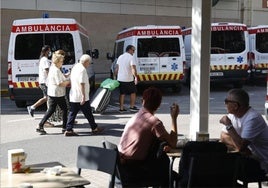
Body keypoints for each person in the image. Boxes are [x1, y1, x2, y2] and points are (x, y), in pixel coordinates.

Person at [118, 86, 179, 185]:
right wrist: (174, 118)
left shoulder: (136, 116)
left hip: (120, 168)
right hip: (133, 170)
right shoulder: (154, 122)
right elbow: (173, 143)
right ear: (159, 105)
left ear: (142, 101)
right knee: (169, 174)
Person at [219, 88, 268, 174]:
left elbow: (241, 146)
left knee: (222, 167)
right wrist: (240, 147)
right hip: (248, 156)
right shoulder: (232, 115)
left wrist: (229, 125)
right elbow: (223, 136)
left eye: (227, 101)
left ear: (235, 106)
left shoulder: (253, 118)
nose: (225, 104)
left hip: (262, 162)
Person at [64, 54, 103, 136]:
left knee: (73, 112)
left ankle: (69, 129)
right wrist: (83, 96)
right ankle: (94, 128)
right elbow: (82, 83)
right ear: (86, 62)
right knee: (88, 113)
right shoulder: (82, 70)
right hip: (81, 96)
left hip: (74, 94)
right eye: (89, 63)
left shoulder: (75, 66)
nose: (89, 65)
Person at [36, 50, 70, 135]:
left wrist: (67, 76)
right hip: (57, 93)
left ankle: (40, 125)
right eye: (61, 61)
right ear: (58, 61)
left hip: (52, 93)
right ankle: (64, 128)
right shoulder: (56, 70)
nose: (62, 63)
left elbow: (61, 78)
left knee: (51, 110)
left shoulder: (53, 68)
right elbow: (60, 83)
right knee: (65, 109)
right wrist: (69, 82)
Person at [27, 45, 54, 127]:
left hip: (43, 82)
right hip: (46, 82)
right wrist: (51, 80)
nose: (50, 52)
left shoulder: (43, 59)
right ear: (46, 51)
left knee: (47, 99)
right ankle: (34, 108)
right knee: (49, 100)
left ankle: (33, 108)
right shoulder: (45, 60)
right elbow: (47, 71)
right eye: (49, 51)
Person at [115, 45, 139, 113]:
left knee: (122, 93)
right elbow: (133, 68)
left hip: (120, 78)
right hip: (128, 79)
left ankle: (121, 108)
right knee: (133, 92)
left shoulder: (120, 57)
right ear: (129, 50)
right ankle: (132, 106)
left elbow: (117, 68)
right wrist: (136, 77)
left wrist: (115, 77)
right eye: (133, 50)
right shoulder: (131, 57)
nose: (133, 52)